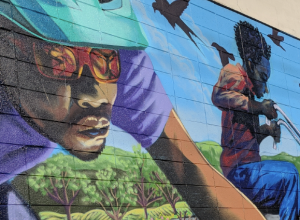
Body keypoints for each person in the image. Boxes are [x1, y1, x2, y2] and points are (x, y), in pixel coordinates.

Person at [0, 1, 265, 219]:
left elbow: (192, 171)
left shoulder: (127, 64)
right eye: (61, 62)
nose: (96, 96)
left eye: (105, 62)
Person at [212, 20, 300, 220]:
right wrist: (260, 107)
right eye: (263, 76)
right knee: (290, 175)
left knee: (296, 195)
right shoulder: (234, 73)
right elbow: (218, 95)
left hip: (248, 173)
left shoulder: (248, 96)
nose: (265, 87)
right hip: (239, 174)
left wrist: (267, 132)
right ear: (250, 66)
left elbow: (244, 143)